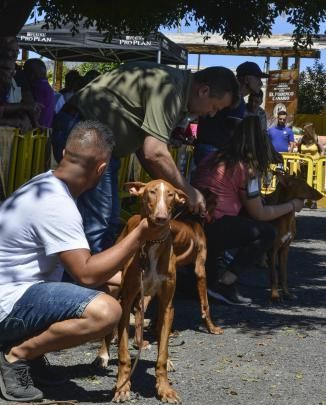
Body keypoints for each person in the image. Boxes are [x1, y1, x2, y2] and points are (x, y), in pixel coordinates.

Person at [0, 120, 167, 402]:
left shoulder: (43, 184)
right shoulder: (56, 204)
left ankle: (32, 354)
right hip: (8, 304)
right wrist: (140, 233)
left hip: (17, 291)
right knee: (106, 312)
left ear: (65, 152)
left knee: (111, 286)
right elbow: (87, 274)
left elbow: (90, 272)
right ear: (102, 169)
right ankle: (16, 357)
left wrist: (133, 281)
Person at [52, 61, 240, 254]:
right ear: (204, 90)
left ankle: (97, 279)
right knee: (98, 225)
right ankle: (82, 280)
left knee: (109, 223)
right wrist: (189, 191)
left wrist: (177, 189)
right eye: (215, 106)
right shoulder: (169, 89)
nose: (211, 114)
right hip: (83, 132)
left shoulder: (177, 92)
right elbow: (154, 152)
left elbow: (145, 149)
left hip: (101, 143)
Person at [191, 116, 304, 305]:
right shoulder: (247, 169)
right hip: (213, 224)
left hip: (194, 220)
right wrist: (292, 205)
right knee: (267, 232)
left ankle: (208, 278)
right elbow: (260, 213)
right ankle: (226, 282)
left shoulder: (213, 156)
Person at [194, 61, 269, 165]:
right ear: (246, 79)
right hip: (213, 151)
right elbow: (235, 130)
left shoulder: (233, 96)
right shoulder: (235, 98)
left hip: (209, 149)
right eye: (257, 78)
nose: (260, 83)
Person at [298, 123, 324, 209]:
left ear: (309, 130)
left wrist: (320, 160)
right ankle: (305, 200)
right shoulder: (302, 139)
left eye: (305, 130)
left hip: (315, 164)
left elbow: (322, 150)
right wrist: (300, 158)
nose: (303, 131)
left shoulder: (316, 138)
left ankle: (313, 201)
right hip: (304, 164)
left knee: (314, 183)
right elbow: (299, 150)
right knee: (305, 182)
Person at [23, 58, 55, 128]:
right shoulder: (47, 86)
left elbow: (34, 109)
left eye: (25, 72)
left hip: (38, 128)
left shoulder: (37, 87)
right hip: (46, 126)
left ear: (31, 75)